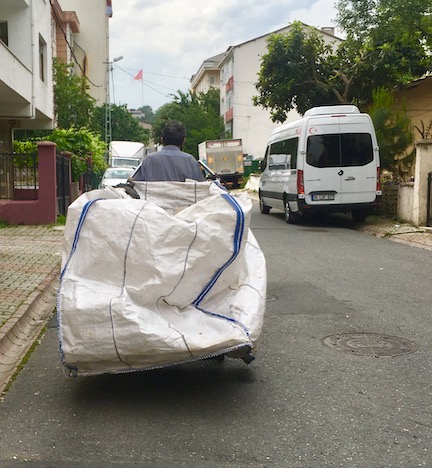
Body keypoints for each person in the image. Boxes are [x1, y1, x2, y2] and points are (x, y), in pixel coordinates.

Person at [130, 121, 204, 182]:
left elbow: (136, 184)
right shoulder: (190, 161)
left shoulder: (149, 160)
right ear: (183, 141)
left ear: (162, 140)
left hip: (152, 199)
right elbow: (199, 187)